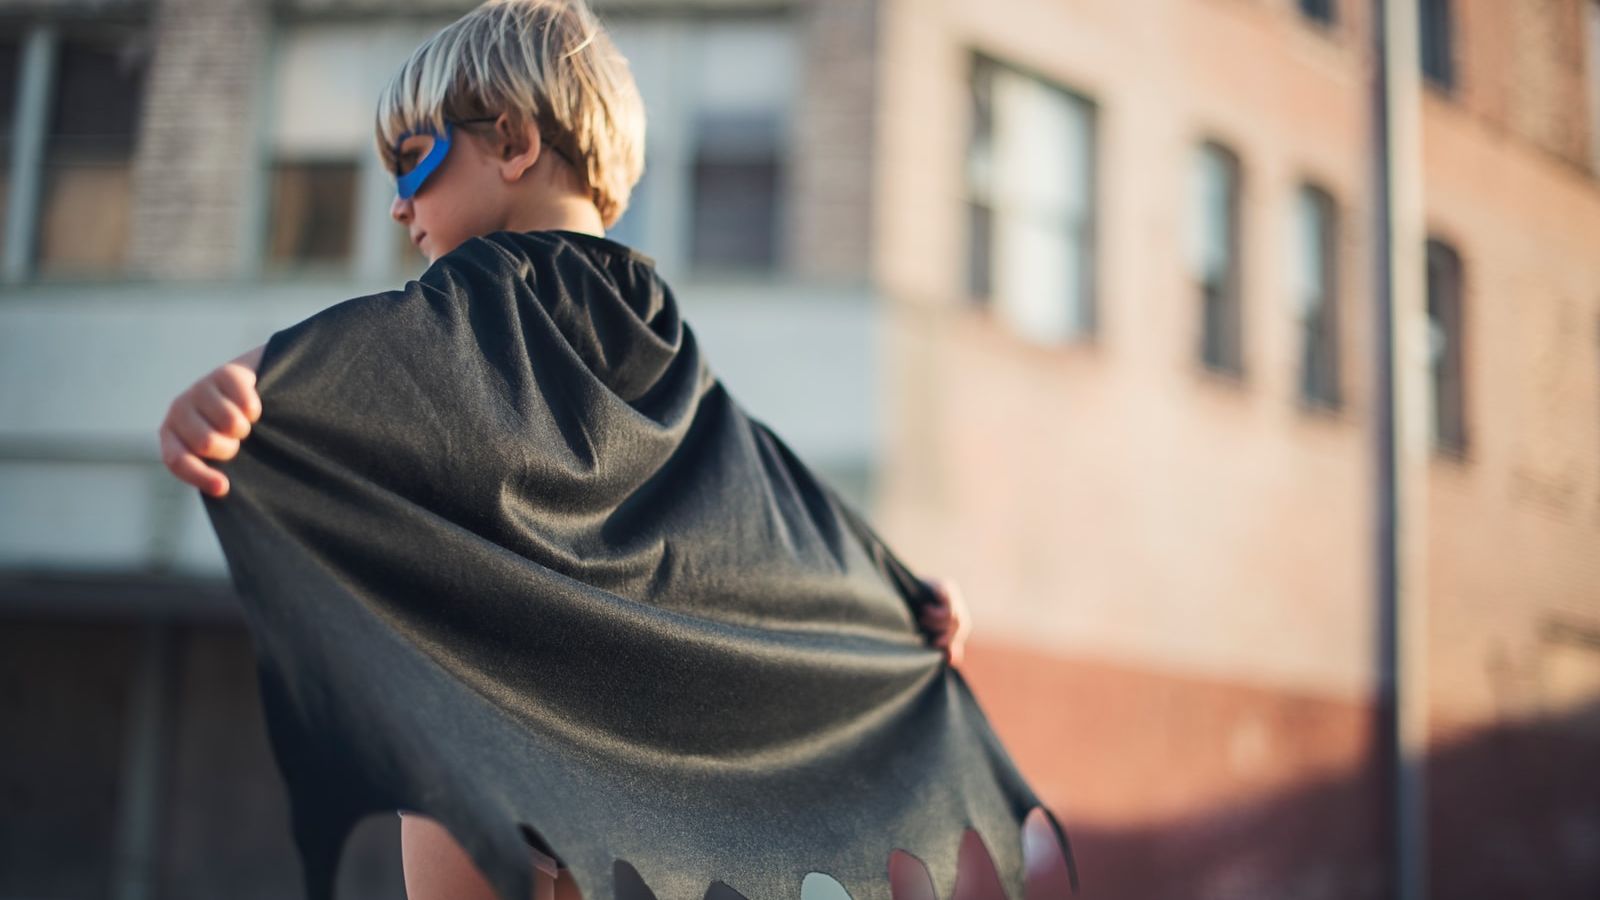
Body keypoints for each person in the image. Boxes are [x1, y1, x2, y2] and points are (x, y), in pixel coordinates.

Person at [156, 2, 990, 899]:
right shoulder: (657, 324)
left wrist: (245, 385)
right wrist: (896, 592)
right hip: (608, 772)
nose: (399, 205)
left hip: (479, 737)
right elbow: (758, 491)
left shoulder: (477, 289)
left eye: (414, 160)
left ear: (511, 142)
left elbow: (348, 353)